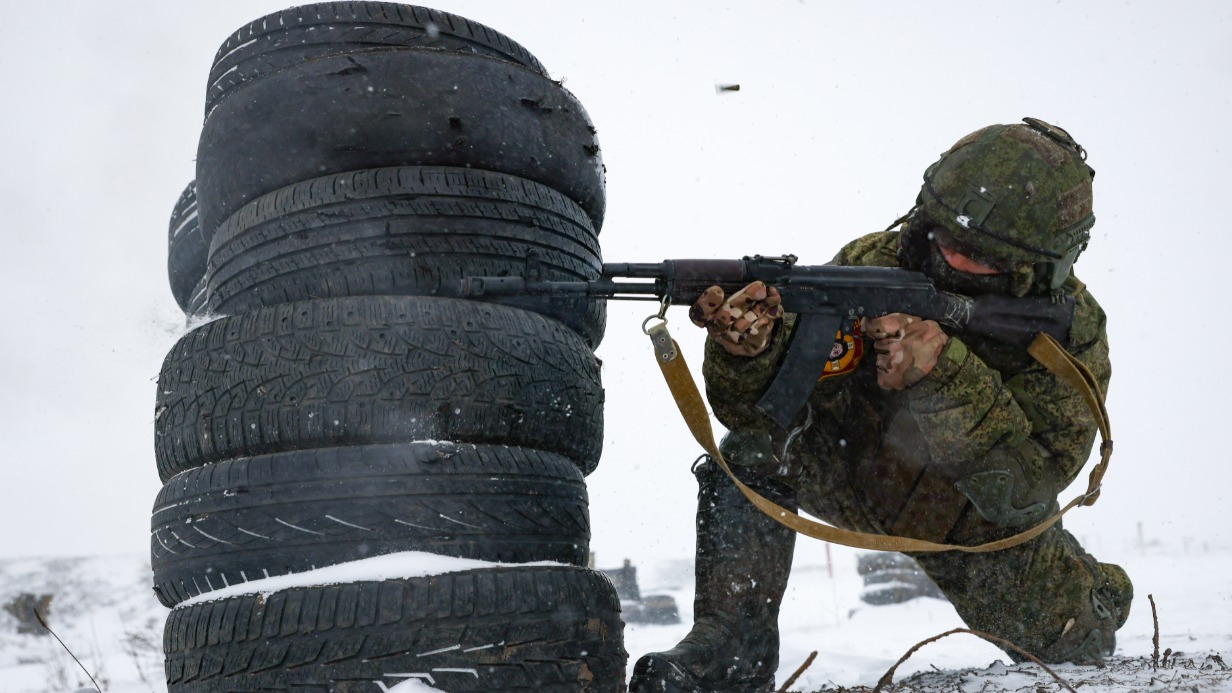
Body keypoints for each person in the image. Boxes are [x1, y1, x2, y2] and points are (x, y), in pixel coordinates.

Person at [629, 118, 1133, 692]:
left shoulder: (1069, 334)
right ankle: (731, 650)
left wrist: (947, 375)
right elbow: (758, 415)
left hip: (972, 525)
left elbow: (1027, 491)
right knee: (748, 452)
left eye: (980, 255)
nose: (953, 260)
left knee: (1073, 645)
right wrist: (753, 353)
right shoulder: (875, 261)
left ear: (1038, 269)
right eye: (944, 237)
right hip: (853, 467)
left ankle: (1094, 591)